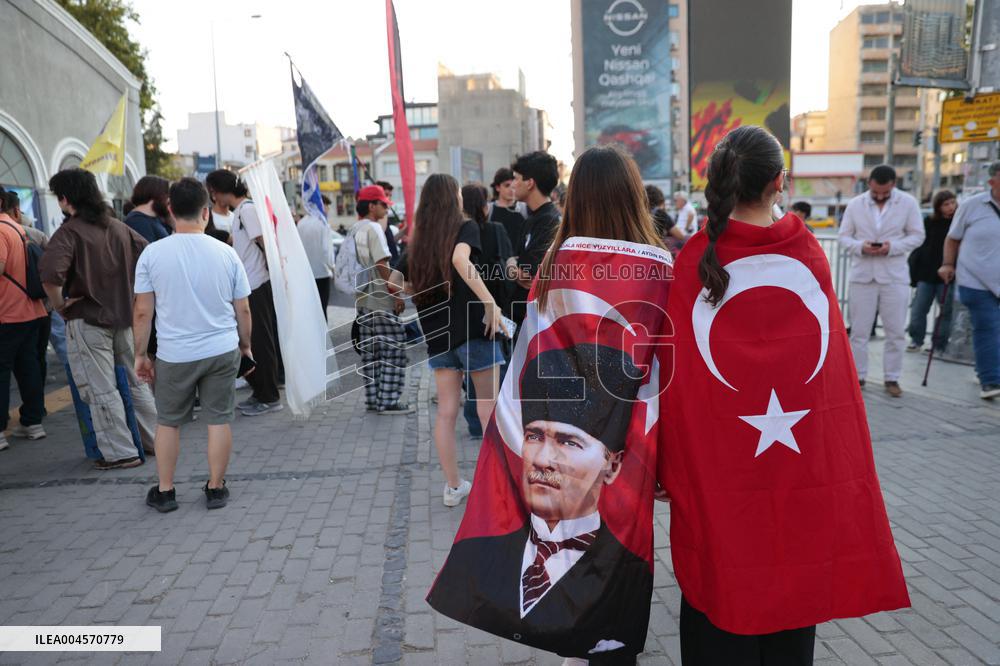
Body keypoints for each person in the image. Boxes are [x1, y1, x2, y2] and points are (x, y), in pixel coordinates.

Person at [661, 125, 908, 665]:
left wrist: (665, 465)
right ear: (780, 181)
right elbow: (832, 386)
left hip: (720, 468)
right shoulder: (808, 256)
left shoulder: (693, 263)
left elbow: (673, 383)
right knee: (792, 582)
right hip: (797, 465)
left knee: (719, 580)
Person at [428, 144, 671, 664]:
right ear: (633, 196)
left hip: (573, 431)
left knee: (567, 528)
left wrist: (520, 436)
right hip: (627, 442)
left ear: (575, 196)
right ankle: (610, 642)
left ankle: (570, 634)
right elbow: (667, 372)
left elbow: (528, 367)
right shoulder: (662, 272)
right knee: (621, 542)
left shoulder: (556, 267)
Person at [134, 178, 253, 512]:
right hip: (221, 349)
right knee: (218, 418)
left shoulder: (152, 254)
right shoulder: (227, 254)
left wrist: (141, 355)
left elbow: (143, 311)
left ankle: (166, 491)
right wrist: (245, 346)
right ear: (206, 212)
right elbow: (242, 308)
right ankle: (215, 488)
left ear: (170, 210)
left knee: (168, 422)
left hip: (174, 354)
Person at [396, 175, 505, 505]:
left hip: (438, 337)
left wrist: (417, 291)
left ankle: (453, 487)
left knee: (446, 412)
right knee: (489, 410)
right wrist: (490, 302)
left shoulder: (419, 241)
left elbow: (393, 282)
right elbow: (461, 259)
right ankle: (498, 486)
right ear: (452, 198)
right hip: (474, 331)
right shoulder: (465, 226)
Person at [39, 168, 158, 469]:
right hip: (124, 317)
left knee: (101, 386)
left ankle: (121, 452)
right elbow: (148, 255)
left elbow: (51, 275)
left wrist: (60, 304)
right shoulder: (119, 228)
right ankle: (154, 440)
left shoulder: (69, 232)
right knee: (135, 383)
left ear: (65, 199)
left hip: (88, 319)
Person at [838, 164, 924, 397]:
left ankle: (892, 378)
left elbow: (917, 235)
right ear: (869, 185)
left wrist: (892, 247)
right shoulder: (856, 204)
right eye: (876, 192)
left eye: (885, 193)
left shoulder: (908, 203)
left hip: (894, 275)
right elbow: (844, 236)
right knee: (859, 331)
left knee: (895, 331)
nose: (880, 196)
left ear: (893, 185)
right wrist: (861, 247)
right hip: (862, 274)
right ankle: (858, 377)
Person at [206, 169, 283, 417]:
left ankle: (270, 396)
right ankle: (260, 392)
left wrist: (277, 276)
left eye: (212, 191)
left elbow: (265, 244)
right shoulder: (241, 211)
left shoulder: (247, 210)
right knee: (253, 340)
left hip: (257, 284)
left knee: (261, 342)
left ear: (217, 191)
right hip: (249, 284)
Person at [940, 162, 1000, 400]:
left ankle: (984, 368)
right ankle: (991, 380)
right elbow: (952, 239)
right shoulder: (972, 206)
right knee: (987, 327)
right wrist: (947, 264)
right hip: (975, 280)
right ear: (992, 182)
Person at [460, 183, 514, 438]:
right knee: (495, 366)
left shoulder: (458, 234)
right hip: (493, 305)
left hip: (465, 308)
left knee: (474, 368)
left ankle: (473, 421)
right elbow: (505, 267)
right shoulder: (496, 230)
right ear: (484, 206)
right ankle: (495, 423)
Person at [352, 184, 411, 414]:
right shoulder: (374, 228)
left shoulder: (356, 228)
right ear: (371, 205)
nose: (386, 207)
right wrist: (395, 293)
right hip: (380, 297)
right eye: (383, 204)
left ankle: (374, 400)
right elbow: (382, 263)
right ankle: (388, 401)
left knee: (371, 353)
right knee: (395, 349)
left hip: (363, 298)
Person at [0, 192, 48, 450]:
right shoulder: (18, 228)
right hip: (30, 309)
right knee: (28, 366)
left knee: (2, 371)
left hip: (7, 311)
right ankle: (33, 422)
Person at [510, 151, 561, 334]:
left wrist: (513, 267)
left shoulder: (550, 221)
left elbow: (527, 274)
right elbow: (513, 261)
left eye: (516, 179)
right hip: (523, 319)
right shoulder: (531, 218)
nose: (513, 185)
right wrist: (512, 266)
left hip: (538, 324)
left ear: (530, 183)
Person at [907, 190, 957, 353]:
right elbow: (921, 245)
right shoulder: (929, 221)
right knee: (918, 309)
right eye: (946, 204)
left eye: (952, 203)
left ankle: (938, 343)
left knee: (945, 311)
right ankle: (916, 339)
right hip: (927, 273)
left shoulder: (958, 222)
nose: (950, 207)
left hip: (947, 275)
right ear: (938, 206)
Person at [297, 195, 335, 321]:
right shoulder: (322, 223)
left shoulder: (300, 223)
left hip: (305, 274)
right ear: (320, 204)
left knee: (310, 309)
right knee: (322, 308)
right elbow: (326, 251)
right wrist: (333, 268)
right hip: (322, 272)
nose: (328, 209)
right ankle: (323, 337)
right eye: (327, 206)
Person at [488, 166, 528, 248]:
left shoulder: (523, 208)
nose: (511, 189)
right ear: (497, 187)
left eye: (513, 186)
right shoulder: (489, 209)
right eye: (507, 185)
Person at [124, 176, 172, 244]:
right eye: (167, 196)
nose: (169, 200)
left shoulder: (154, 219)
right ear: (157, 195)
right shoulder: (138, 222)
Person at [645, 184, 686, 257]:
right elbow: (680, 236)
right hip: (655, 253)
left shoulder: (638, 213)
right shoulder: (660, 213)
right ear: (660, 200)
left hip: (638, 253)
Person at [375, 180, 401, 266]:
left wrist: (405, 229)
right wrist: (385, 209)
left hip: (393, 262)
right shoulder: (376, 220)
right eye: (386, 195)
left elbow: (390, 241)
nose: (388, 198)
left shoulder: (384, 219)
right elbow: (380, 234)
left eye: (390, 195)